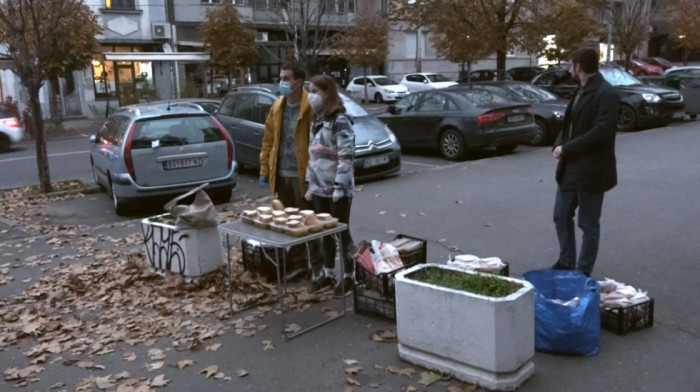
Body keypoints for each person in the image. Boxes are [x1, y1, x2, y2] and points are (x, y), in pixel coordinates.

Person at [551, 47, 619, 277]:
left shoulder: (605, 93)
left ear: (578, 67)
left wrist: (566, 148)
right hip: (570, 168)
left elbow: (602, 133)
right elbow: (569, 125)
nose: (570, 69)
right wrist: (559, 144)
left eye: (571, 65)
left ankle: (582, 271)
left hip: (592, 171)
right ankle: (566, 261)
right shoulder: (580, 90)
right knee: (561, 215)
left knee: (588, 225)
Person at [259, 63, 318, 277]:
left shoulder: (310, 106)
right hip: (282, 175)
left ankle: (318, 268)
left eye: (286, 78)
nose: (281, 82)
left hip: (304, 176)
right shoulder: (277, 107)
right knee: (290, 223)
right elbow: (269, 141)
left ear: (298, 82)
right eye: (281, 77)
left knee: (308, 222)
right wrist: (265, 170)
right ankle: (300, 263)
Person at [305, 75, 356, 298]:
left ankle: (349, 277)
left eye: (314, 90)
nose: (310, 95)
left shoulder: (340, 121)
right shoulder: (316, 120)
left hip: (338, 190)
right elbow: (313, 156)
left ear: (326, 93)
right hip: (319, 188)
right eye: (310, 90)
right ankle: (328, 273)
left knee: (341, 234)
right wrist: (310, 183)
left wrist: (340, 185)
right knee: (325, 233)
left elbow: (346, 157)